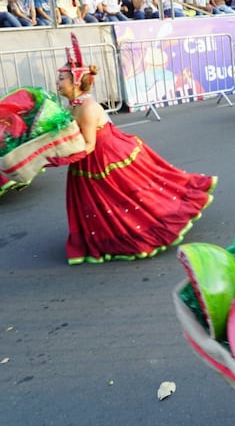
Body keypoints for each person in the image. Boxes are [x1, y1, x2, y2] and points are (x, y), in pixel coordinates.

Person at [48, 34, 218, 265]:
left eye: (61, 79)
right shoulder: (74, 105)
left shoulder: (87, 108)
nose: (58, 83)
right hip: (90, 160)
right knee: (101, 203)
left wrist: (56, 157)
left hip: (104, 157)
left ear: (76, 82)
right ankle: (103, 236)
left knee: (126, 197)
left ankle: (149, 228)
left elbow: (88, 145)